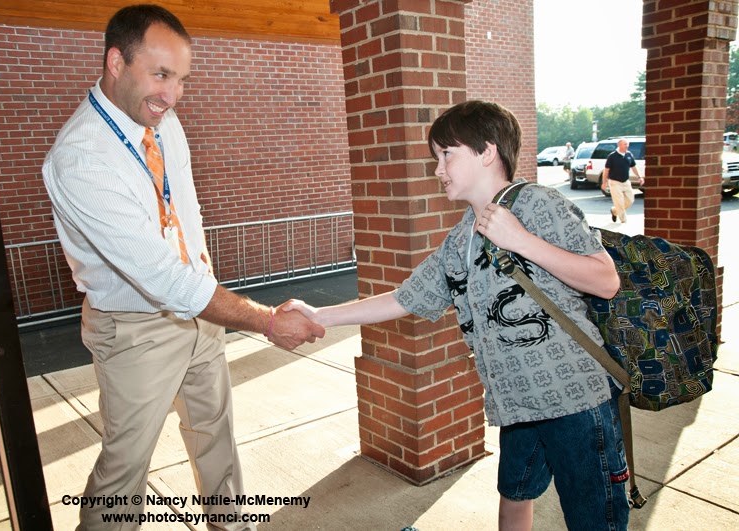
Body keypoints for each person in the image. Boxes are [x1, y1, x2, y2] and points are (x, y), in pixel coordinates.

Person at [285, 101, 630, 530]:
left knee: (595, 518)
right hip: (517, 405)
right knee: (514, 498)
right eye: (436, 158)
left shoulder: (538, 204)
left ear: (487, 151)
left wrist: (520, 240)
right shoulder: (459, 238)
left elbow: (605, 280)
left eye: (447, 154)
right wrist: (320, 314)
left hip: (575, 400)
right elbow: (405, 298)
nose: (438, 169)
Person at [42, 5, 324, 529]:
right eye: (161, 75)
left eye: (181, 80)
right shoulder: (80, 158)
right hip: (136, 330)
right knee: (124, 472)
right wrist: (264, 320)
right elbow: (159, 276)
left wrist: (209, 295)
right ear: (116, 62)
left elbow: (186, 216)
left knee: (216, 438)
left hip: (198, 310)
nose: (171, 95)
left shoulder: (163, 124)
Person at [601, 138, 644, 223]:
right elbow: (606, 170)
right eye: (625, 144)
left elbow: (634, 167)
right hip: (615, 182)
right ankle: (624, 221)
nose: (627, 146)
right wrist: (604, 183)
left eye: (627, 144)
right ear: (619, 145)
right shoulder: (612, 156)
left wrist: (640, 177)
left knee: (630, 200)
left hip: (626, 182)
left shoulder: (629, 154)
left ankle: (614, 211)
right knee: (619, 202)